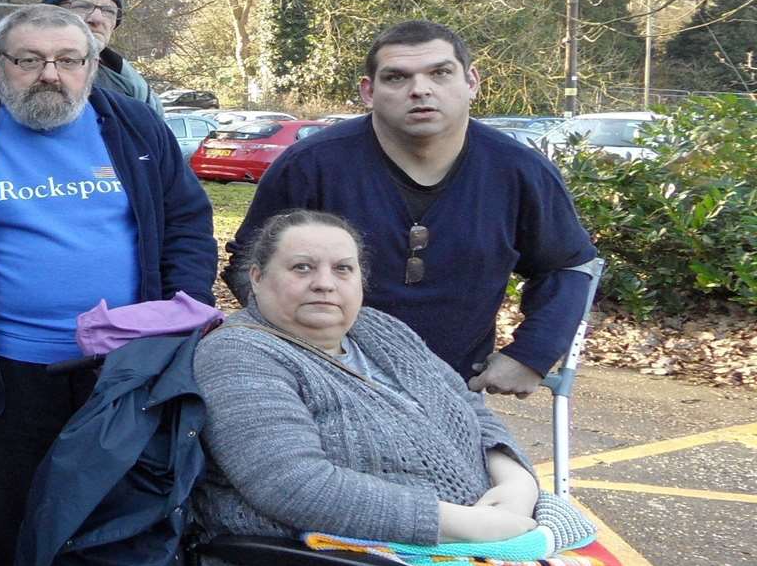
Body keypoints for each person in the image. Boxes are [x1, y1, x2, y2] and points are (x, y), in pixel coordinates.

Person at [194, 209, 740, 566]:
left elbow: (471, 408)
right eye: (301, 267)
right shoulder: (241, 356)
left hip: (458, 534)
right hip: (324, 552)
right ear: (256, 278)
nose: (325, 282)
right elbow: (291, 484)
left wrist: (514, 480)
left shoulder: (379, 331)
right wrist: (467, 525)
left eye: (343, 268)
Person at [0, 2, 216, 566]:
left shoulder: (136, 128)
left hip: (128, 366)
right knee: (19, 512)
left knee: (123, 510)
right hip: (13, 369)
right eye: (30, 60)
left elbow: (188, 224)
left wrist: (182, 313)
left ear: (92, 64)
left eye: (68, 60)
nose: (50, 74)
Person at [224, 20, 596, 396]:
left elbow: (567, 265)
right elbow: (248, 265)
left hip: (454, 393)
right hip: (320, 383)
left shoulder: (519, 172)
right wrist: (298, 345)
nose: (420, 90)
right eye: (397, 78)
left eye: (440, 73)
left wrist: (532, 353)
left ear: (471, 82)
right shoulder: (310, 166)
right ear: (369, 91)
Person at [40, 0, 164, 116]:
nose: (97, 19)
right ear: (49, 15)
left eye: (109, 11)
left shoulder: (131, 87)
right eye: (83, 6)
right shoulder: (20, 73)